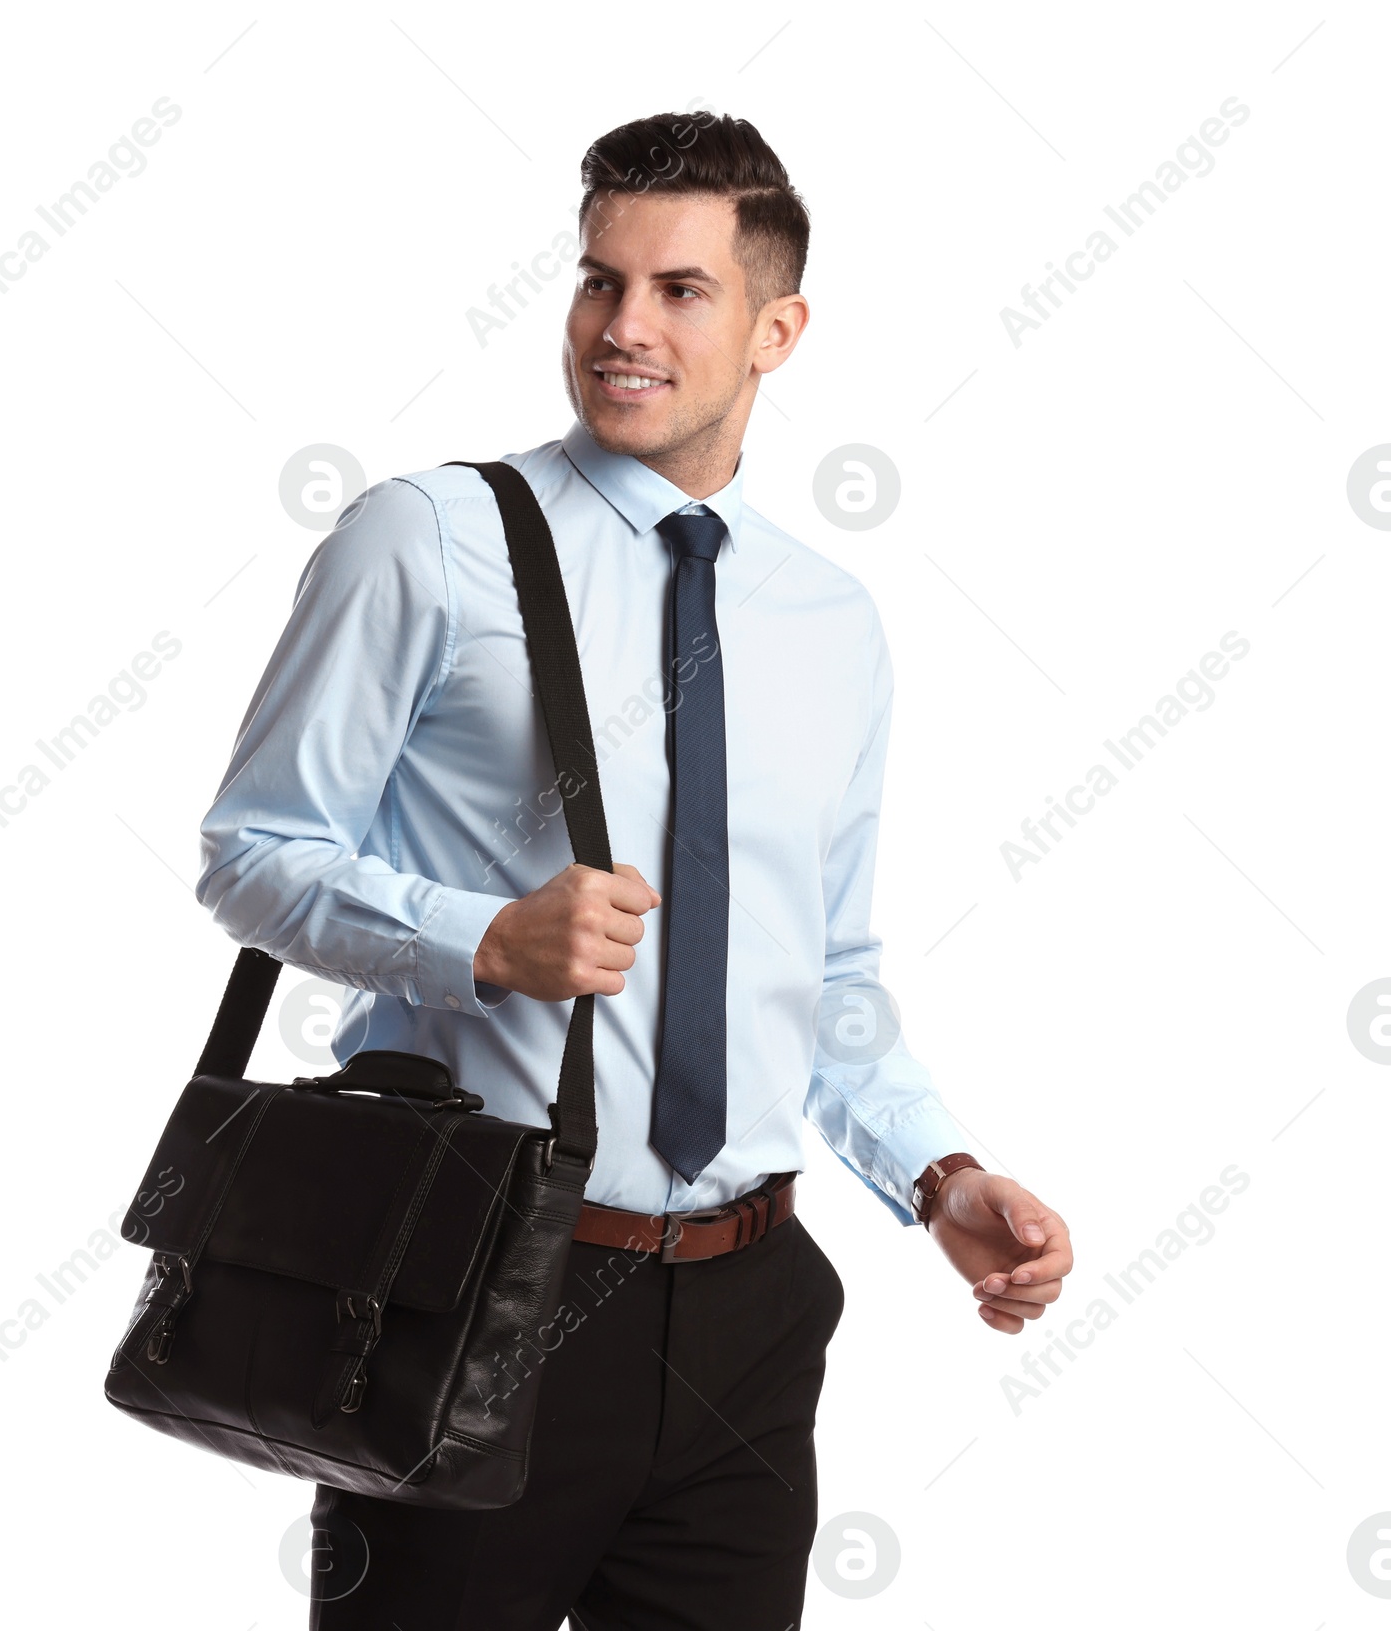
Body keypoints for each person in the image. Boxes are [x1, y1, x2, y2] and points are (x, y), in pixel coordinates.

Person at [196, 110, 1073, 1630]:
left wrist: (939, 1177)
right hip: (478, 1287)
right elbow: (253, 853)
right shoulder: (429, 540)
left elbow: (831, 969)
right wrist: (479, 940)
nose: (622, 329)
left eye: (680, 291)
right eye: (600, 282)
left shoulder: (831, 620)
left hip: (754, 1309)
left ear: (777, 328)